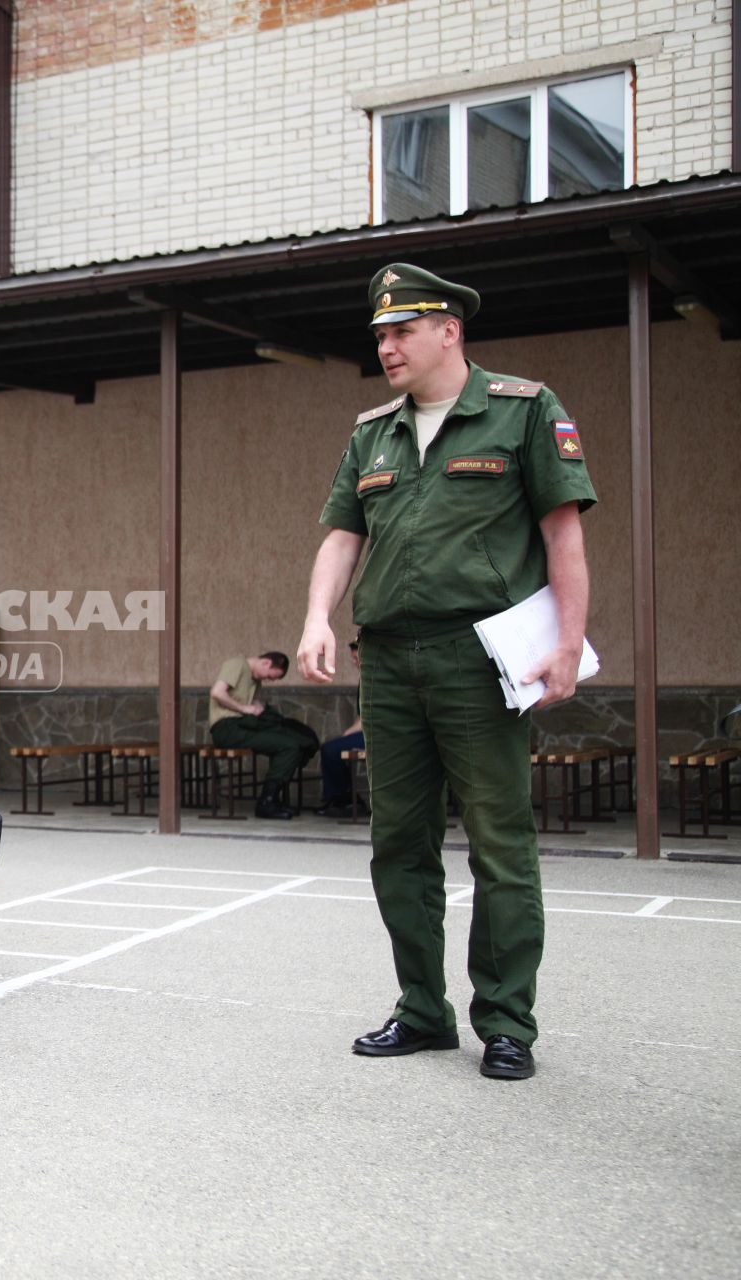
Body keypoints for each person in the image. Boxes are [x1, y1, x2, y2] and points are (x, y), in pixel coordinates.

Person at [296, 263, 595, 1082]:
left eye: (402, 331)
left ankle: (505, 1021)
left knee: (500, 841)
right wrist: (318, 616)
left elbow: (563, 532)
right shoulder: (373, 432)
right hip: (388, 659)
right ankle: (422, 1010)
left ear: (449, 331)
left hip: (477, 657)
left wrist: (568, 642)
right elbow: (342, 534)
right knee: (399, 840)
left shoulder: (523, 411)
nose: (387, 346)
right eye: (381, 335)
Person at [207, 651, 319, 819]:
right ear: (266, 663)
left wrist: (258, 707)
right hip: (226, 727)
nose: (268, 679)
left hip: (244, 725)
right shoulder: (237, 663)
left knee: (292, 740)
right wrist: (243, 708)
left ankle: (273, 799)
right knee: (288, 745)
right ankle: (266, 802)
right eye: (270, 676)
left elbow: (250, 701)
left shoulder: (255, 680)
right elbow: (217, 692)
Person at [315, 641, 366, 818]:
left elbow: (367, 719)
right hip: (369, 732)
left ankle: (343, 798)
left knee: (330, 750)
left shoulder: (377, 679)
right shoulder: (365, 679)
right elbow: (362, 717)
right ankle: (345, 797)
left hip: (383, 735)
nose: (354, 662)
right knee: (333, 747)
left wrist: (346, 736)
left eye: (356, 657)